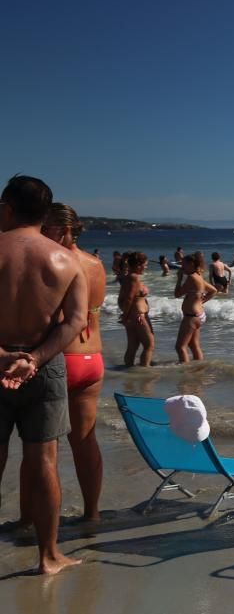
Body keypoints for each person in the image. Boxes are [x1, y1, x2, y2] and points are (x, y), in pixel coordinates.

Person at [0, 175, 87, 574]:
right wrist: (34, 358)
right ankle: (48, 555)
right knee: (44, 462)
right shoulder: (66, 260)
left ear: (8, 208)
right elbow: (75, 322)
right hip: (44, 365)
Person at [24, 204, 106, 525]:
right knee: (85, 441)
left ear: (63, 229)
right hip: (93, 360)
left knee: (41, 447)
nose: (43, 234)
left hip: (62, 357)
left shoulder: (54, 262)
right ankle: (92, 513)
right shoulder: (96, 264)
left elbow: (55, 318)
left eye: (47, 228)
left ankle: (30, 519)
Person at [174, 252, 217, 362]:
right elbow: (213, 291)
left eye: (184, 265)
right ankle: (198, 369)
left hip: (191, 317)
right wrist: (201, 302)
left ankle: (186, 371)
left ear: (192, 264)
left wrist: (179, 278)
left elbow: (177, 294)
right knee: (193, 345)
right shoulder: (198, 277)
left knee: (180, 347)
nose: (182, 267)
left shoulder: (192, 278)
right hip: (198, 315)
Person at [118, 251, 155, 366]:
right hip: (138, 316)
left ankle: (128, 372)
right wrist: (125, 315)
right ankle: (145, 372)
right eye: (145, 264)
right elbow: (129, 298)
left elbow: (125, 297)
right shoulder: (134, 278)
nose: (146, 267)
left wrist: (126, 314)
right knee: (149, 345)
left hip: (133, 316)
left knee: (133, 346)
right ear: (138, 264)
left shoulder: (129, 277)